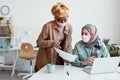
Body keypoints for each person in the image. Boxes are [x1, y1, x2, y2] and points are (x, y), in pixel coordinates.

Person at [35, 2, 72, 72]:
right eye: (60, 20)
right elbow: (39, 42)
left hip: (60, 58)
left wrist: (69, 57)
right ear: (55, 18)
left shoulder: (69, 27)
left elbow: (68, 44)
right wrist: (51, 43)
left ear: (68, 17)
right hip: (47, 58)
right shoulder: (48, 26)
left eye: (65, 19)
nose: (63, 22)